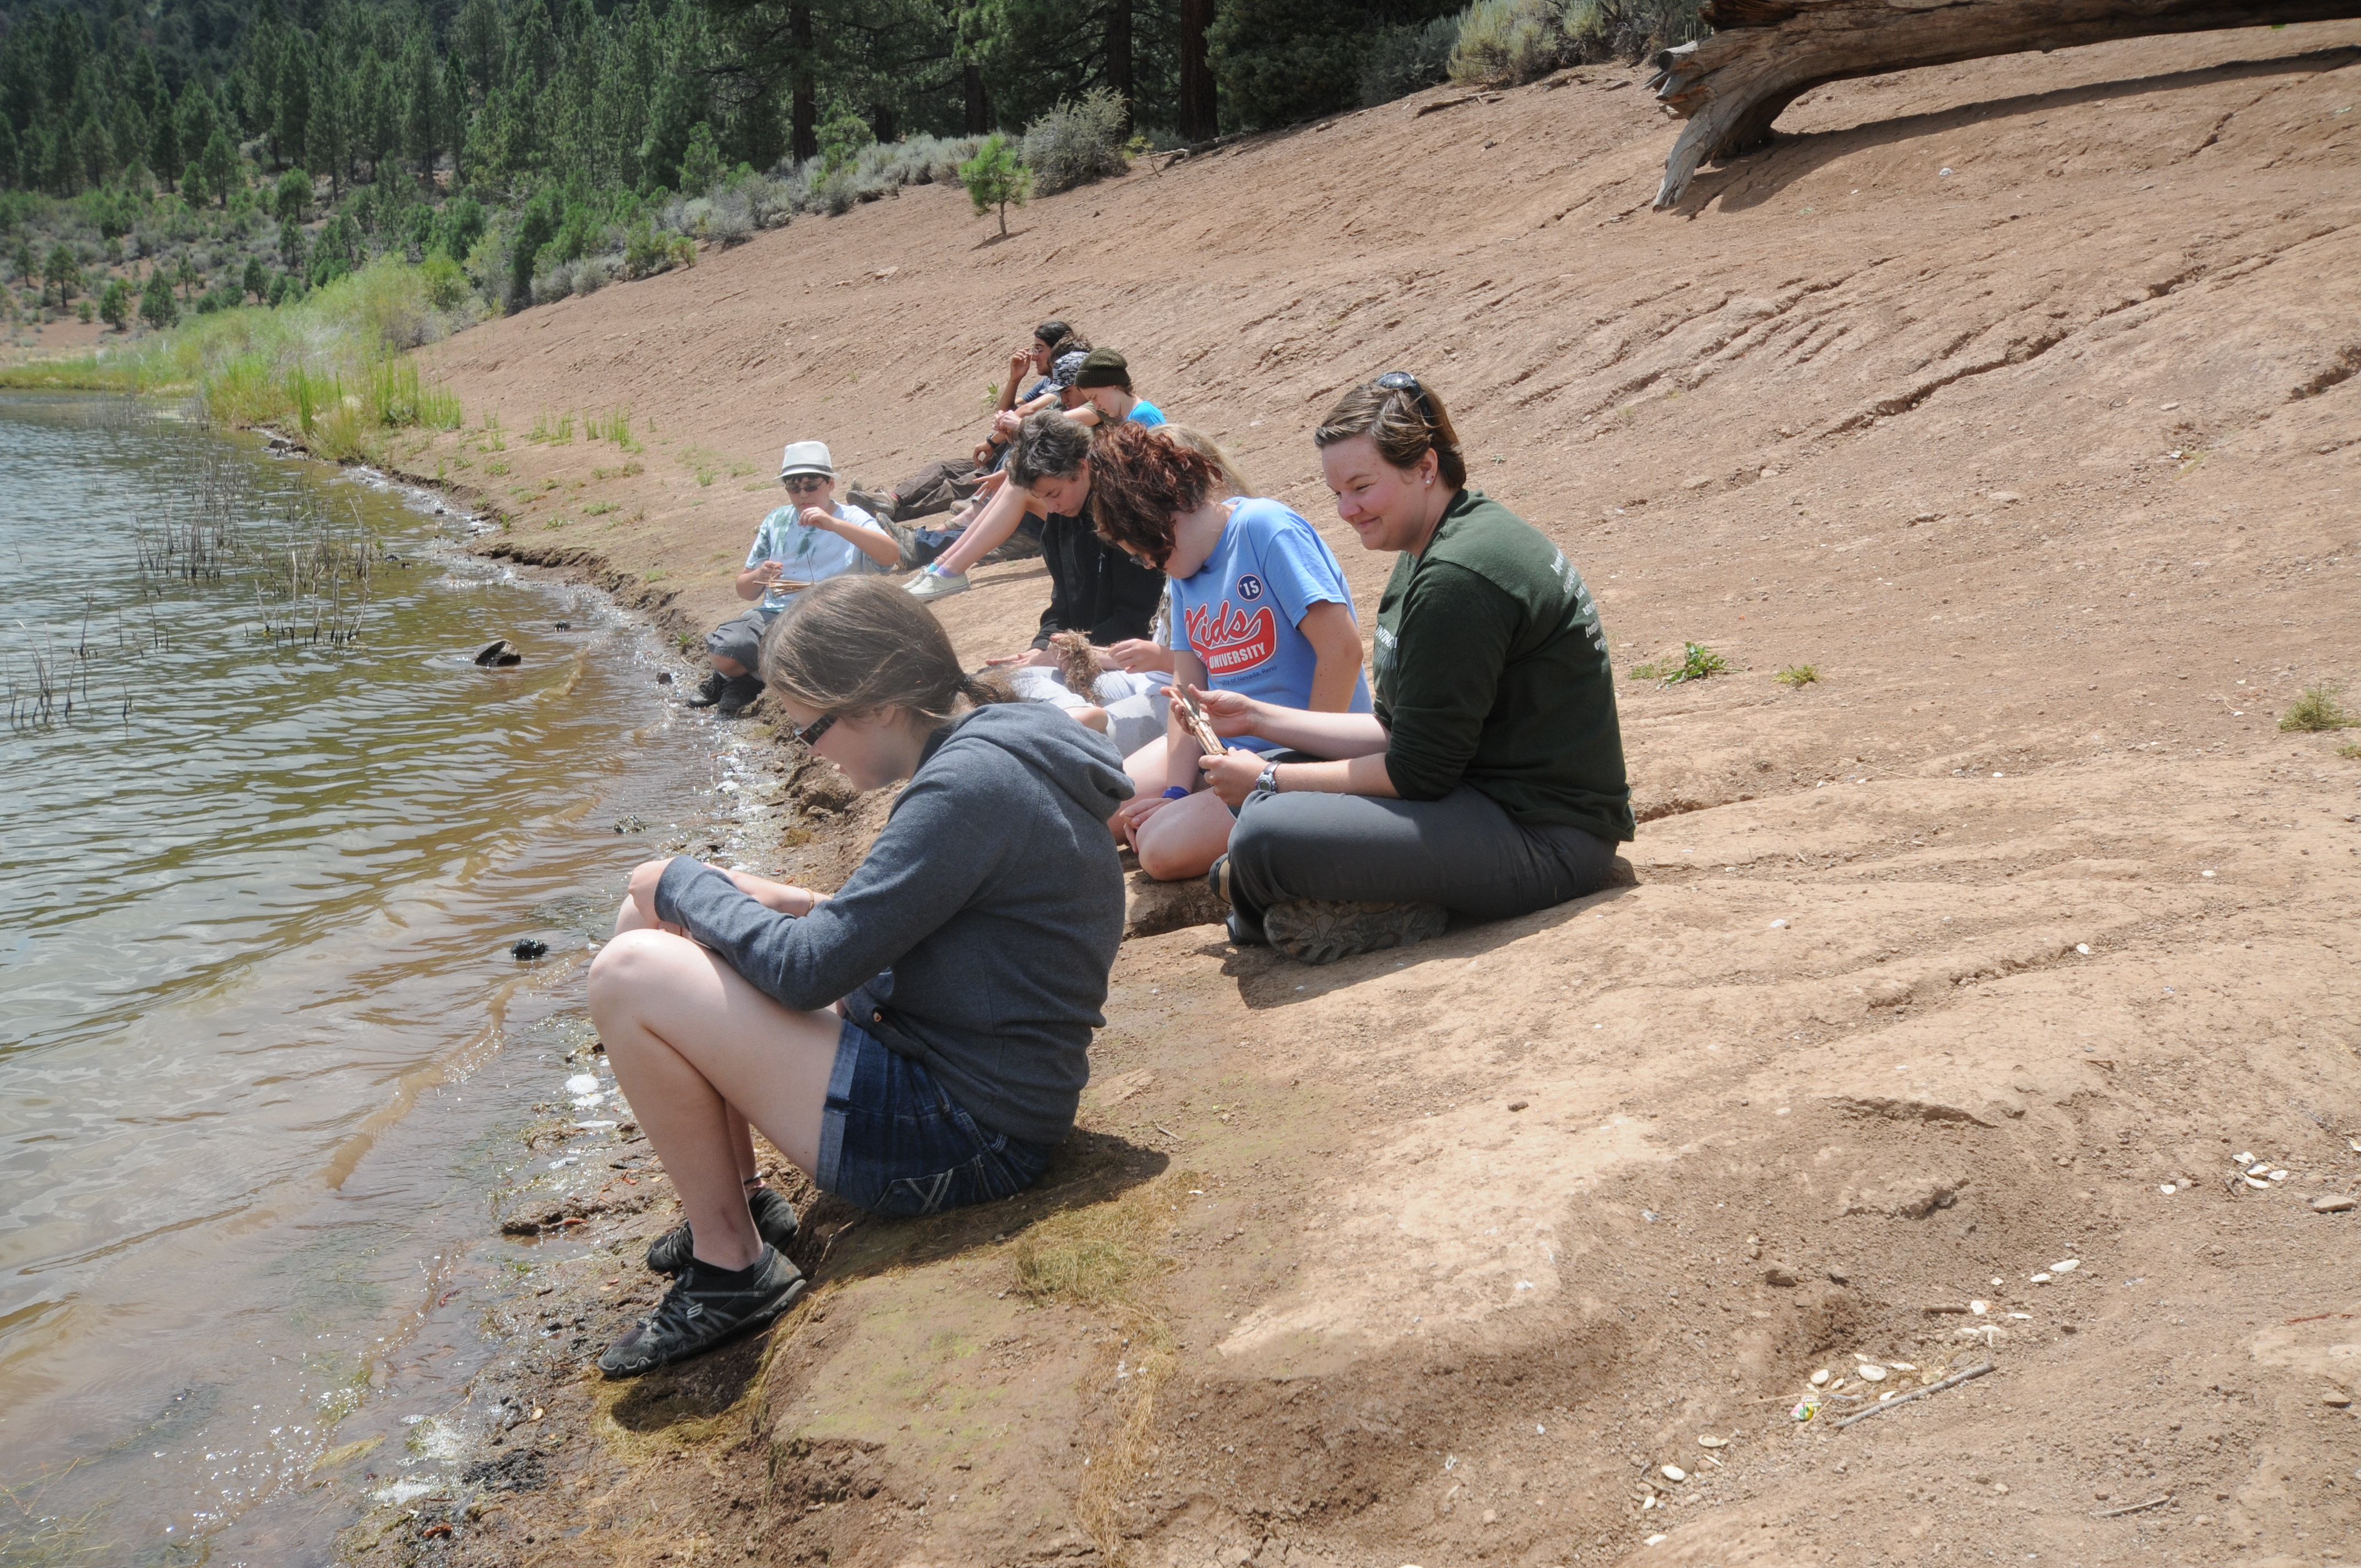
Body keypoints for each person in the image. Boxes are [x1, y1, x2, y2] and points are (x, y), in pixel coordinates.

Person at [589, 576, 1133, 1377]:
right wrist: (776, 897)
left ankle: (731, 1270)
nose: (813, 751)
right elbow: (939, 916)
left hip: (967, 1134)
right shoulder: (996, 741)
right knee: (656, 924)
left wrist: (681, 878)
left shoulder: (966, 789)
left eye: (812, 731)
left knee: (631, 969)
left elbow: (808, 974)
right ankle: (743, 1206)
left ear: (876, 702)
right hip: (949, 1060)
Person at [1190, 373, 1634, 965]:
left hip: (1546, 839)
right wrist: (1259, 719)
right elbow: (1398, 727)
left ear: (1425, 467)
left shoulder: (1457, 578)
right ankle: (1300, 887)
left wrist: (1267, 783)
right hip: (1479, 794)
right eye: (1337, 494)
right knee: (1273, 786)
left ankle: (1335, 899)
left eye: (1361, 487)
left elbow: (1416, 771)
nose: (1347, 511)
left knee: (1265, 833)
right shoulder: (1436, 544)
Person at [1085, 422, 1369, 883]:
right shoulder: (1182, 570)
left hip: (1299, 748)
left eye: (1142, 551)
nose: (1147, 563)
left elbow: (1342, 650)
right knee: (1098, 808)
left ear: (1164, 517)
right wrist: (1176, 790)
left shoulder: (1265, 529)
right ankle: (1202, 800)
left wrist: (1309, 767)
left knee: (1159, 849)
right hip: (1223, 748)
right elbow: (1186, 692)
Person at [907, 349, 1165, 602]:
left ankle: (949, 570)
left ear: (1113, 386)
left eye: (1095, 397)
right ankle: (942, 566)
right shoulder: (1119, 415)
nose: (1095, 405)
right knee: (1015, 481)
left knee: (1020, 489)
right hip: (1107, 510)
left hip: (1121, 521)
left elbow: (1146, 483)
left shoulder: (1141, 417)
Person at [688, 441, 899, 716]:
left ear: (830, 484)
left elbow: (890, 555)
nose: (803, 495)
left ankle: (747, 680)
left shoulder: (852, 517)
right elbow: (745, 591)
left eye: (811, 486)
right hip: (776, 614)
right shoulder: (776, 520)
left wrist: (834, 525)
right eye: (793, 487)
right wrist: (760, 576)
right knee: (726, 651)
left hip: (833, 616)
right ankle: (737, 677)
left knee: (825, 658)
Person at [873, 322, 1082, 525]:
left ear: (1056, 350)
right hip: (1004, 451)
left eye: (1039, 349)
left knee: (962, 483)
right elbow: (1005, 411)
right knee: (942, 468)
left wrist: (991, 443)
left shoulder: (1064, 385)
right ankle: (891, 499)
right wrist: (1014, 380)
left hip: (1013, 458)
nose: (1034, 356)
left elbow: (1025, 412)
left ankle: (894, 512)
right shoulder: (1046, 382)